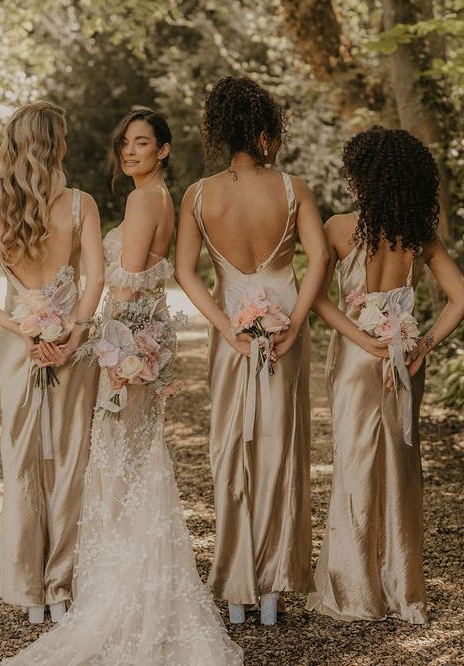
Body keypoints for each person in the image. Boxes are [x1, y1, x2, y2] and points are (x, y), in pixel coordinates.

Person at [0, 107, 243, 665]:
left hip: (126, 346)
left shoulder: (140, 201)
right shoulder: (165, 198)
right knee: (137, 465)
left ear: (164, 150)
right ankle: (136, 580)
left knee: (118, 467)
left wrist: (86, 341)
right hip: (144, 341)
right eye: (124, 144)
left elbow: (127, 288)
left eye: (141, 143)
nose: (129, 152)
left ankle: (123, 592)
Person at [175, 77, 329, 625]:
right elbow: (319, 259)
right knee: (280, 448)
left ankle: (237, 591)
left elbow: (184, 273)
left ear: (219, 131)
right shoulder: (293, 188)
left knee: (231, 448)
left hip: (231, 330)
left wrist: (225, 328)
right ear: (265, 132)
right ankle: (271, 590)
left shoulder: (198, 194)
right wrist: (294, 322)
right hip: (285, 315)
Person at [306, 126, 464, 623]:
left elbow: (314, 298)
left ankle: (356, 593)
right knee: (401, 470)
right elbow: (461, 298)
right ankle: (403, 590)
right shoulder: (419, 236)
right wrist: (423, 344)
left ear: (362, 177)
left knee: (354, 465)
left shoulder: (338, 227)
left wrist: (360, 339)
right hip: (404, 358)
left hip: (361, 359)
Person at [0, 100, 103, 624]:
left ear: (12, 144)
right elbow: (96, 281)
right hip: (71, 345)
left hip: (18, 349)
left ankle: (30, 592)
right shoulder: (81, 204)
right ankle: (61, 588)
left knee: (21, 461)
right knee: (70, 461)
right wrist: (70, 331)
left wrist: (20, 325)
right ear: (58, 144)